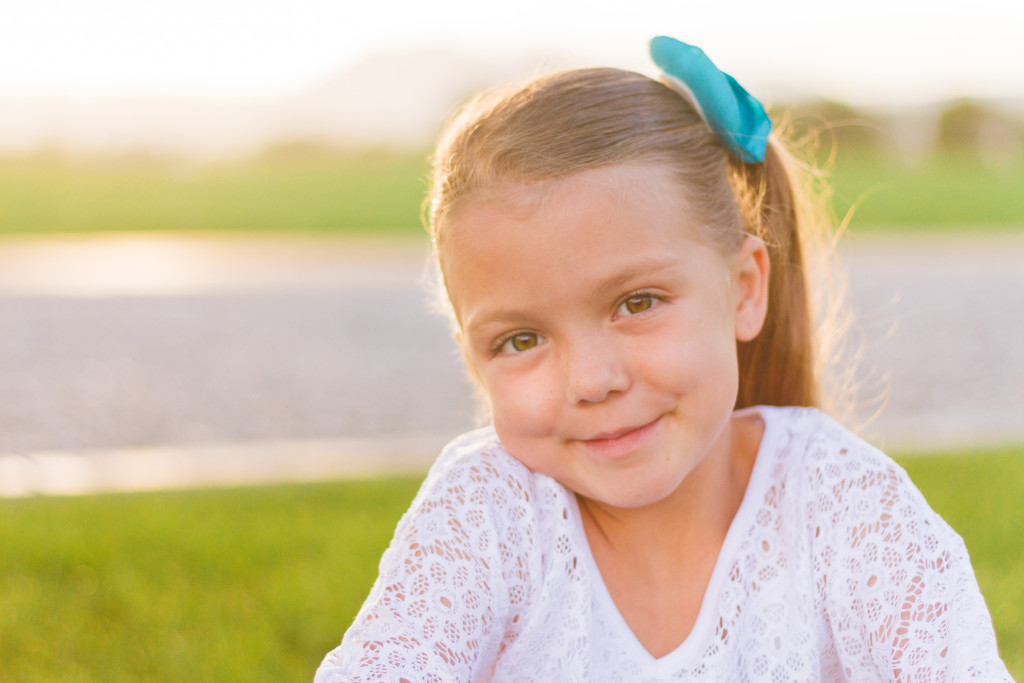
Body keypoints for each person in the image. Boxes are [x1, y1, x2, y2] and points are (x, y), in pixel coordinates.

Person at [315, 37, 1011, 681]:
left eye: (638, 302)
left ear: (743, 289)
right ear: (471, 357)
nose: (591, 379)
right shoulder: (489, 516)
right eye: (520, 339)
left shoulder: (845, 509)